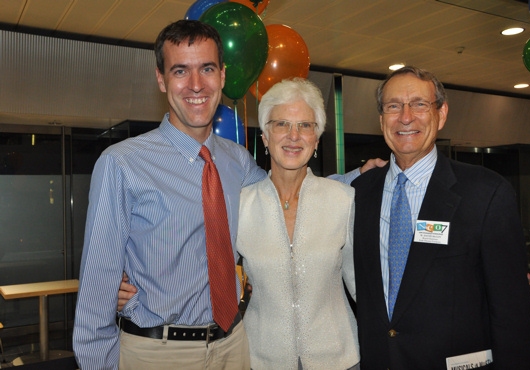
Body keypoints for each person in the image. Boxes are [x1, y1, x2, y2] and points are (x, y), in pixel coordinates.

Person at [73, 20, 378, 370]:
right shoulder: (122, 164)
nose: (196, 85)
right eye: (180, 71)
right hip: (158, 352)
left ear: (222, 75)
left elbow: (285, 191)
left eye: (206, 68)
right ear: (161, 79)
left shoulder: (237, 161)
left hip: (235, 347)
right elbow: (96, 290)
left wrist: (360, 176)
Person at [351, 66, 530, 369]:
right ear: (381, 119)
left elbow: (512, 313)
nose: (405, 116)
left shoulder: (486, 193)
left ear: (441, 114)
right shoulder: (360, 193)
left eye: (419, 104)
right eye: (393, 106)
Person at [237, 78, 359, 369]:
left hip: (338, 359)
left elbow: (363, 286)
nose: (294, 136)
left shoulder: (344, 200)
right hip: (261, 360)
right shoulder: (240, 204)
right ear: (265, 136)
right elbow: (210, 274)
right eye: (281, 124)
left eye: (305, 125)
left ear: (316, 139)